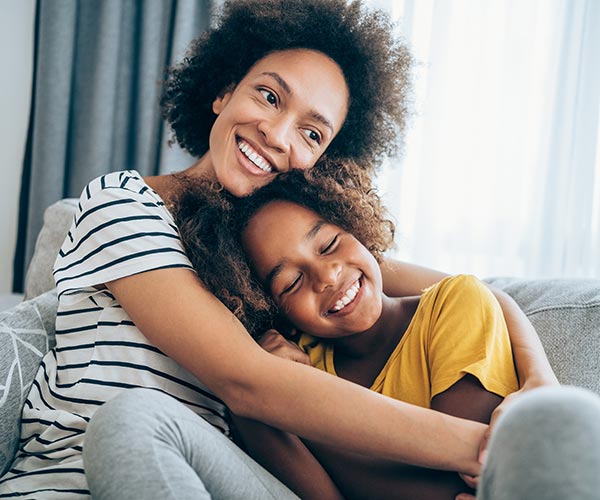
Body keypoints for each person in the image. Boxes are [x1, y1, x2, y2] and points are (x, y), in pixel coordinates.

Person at [0, 1, 557, 499]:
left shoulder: (278, 250)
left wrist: (540, 385)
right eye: (269, 96)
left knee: (135, 421)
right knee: (132, 419)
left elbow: (475, 291)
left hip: (221, 473)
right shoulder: (124, 204)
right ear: (222, 91)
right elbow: (245, 381)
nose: (278, 133)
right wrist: (493, 451)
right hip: (73, 475)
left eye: (312, 134)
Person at [173, 167, 600, 500]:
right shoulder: (287, 372)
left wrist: (305, 414)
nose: (327, 275)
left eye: (329, 245)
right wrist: (279, 393)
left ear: (357, 226)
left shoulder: (455, 306)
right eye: (290, 283)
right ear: (272, 307)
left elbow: (452, 486)